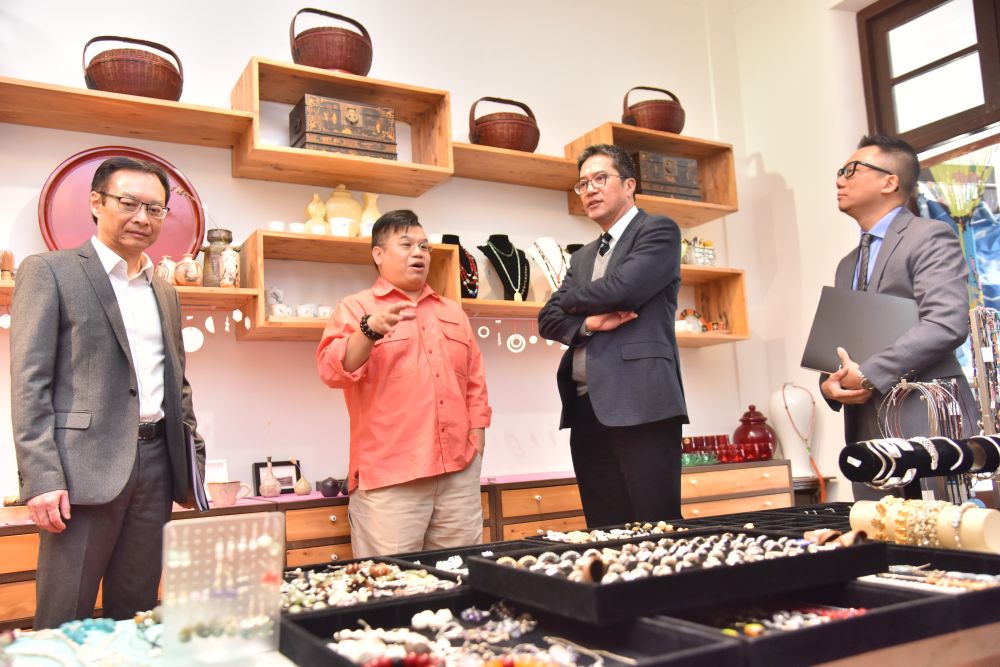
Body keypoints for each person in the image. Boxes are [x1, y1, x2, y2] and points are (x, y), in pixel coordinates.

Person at [10, 156, 206, 628]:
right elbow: (28, 382)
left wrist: (193, 455)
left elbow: (175, 380)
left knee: (137, 611)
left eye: (155, 209)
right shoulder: (49, 271)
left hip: (157, 463)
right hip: (79, 472)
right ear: (97, 203)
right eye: (129, 203)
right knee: (65, 616)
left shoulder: (165, 289)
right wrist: (41, 477)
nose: (143, 217)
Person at [316, 209, 491, 556]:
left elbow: (475, 383)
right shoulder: (356, 308)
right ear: (378, 254)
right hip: (390, 479)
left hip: (458, 472)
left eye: (424, 246)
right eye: (407, 244)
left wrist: (477, 441)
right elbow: (331, 371)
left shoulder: (452, 311)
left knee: (462, 578)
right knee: (390, 587)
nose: (419, 253)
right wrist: (370, 330)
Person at [820, 133, 977, 500]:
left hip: (926, 422)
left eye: (852, 170)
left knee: (943, 546)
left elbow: (945, 323)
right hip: (866, 438)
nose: (839, 179)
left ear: (890, 181)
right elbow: (842, 344)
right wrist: (830, 384)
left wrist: (870, 375)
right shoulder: (847, 265)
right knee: (881, 547)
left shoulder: (929, 237)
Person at [538, 144, 687, 526]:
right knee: (604, 530)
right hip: (587, 408)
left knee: (657, 529)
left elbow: (623, 289)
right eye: (583, 183)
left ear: (629, 185)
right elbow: (547, 320)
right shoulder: (582, 257)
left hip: (642, 402)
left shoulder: (658, 230)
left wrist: (569, 298)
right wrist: (589, 323)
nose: (589, 189)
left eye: (600, 179)